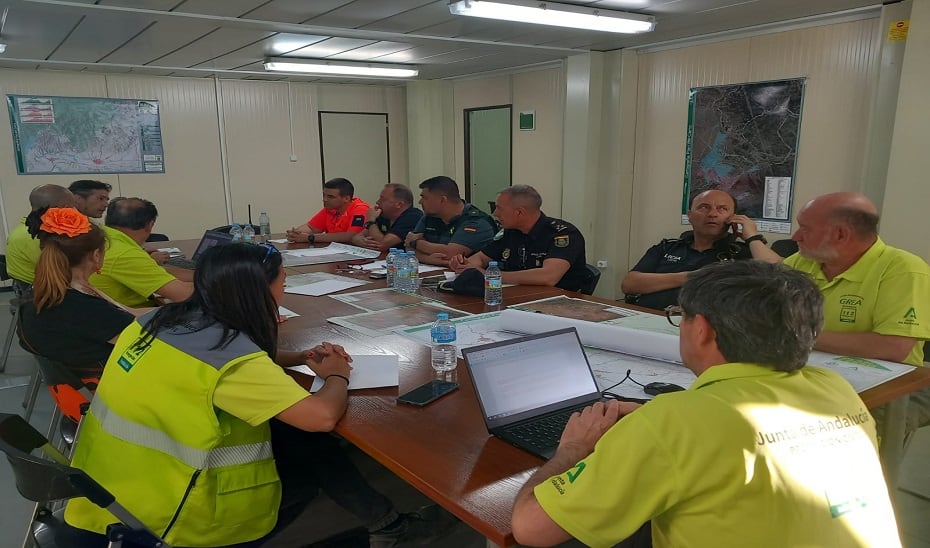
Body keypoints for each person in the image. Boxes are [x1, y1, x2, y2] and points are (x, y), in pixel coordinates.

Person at [64, 243, 454, 547]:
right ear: (257, 291)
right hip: (176, 510)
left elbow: (230, 358)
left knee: (295, 438)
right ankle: (387, 525)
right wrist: (338, 375)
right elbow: (320, 417)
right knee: (307, 442)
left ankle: (383, 521)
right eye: (282, 282)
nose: (284, 289)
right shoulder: (231, 361)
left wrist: (300, 355)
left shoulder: (155, 321)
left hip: (106, 485)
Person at [511, 261, 900, 547]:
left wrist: (573, 449)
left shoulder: (673, 422)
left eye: (680, 317)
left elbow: (530, 528)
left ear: (703, 330)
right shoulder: (833, 387)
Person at [737, 192, 930, 438]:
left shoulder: (904, 270)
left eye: (805, 228)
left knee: (845, 434)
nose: (795, 236)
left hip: (881, 385)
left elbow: (894, 347)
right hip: (807, 374)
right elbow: (766, 312)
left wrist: (794, 335)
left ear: (840, 234)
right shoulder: (803, 262)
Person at [18, 207, 146, 422]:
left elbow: (128, 314)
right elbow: (141, 338)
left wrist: (176, 310)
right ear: (96, 255)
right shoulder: (84, 310)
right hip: (119, 398)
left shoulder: (48, 297)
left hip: (83, 396)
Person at [620, 189, 763, 310]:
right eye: (704, 207)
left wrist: (752, 238)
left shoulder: (744, 255)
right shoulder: (667, 248)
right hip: (646, 319)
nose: (712, 214)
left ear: (733, 218)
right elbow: (629, 284)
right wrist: (693, 277)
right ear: (690, 216)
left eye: (722, 209)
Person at [449, 185, 593, 291]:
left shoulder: (562, 233)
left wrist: (491, 276)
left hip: (559, 302)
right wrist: (464, 265)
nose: (495, 213)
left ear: (519, 212)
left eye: (500, 208)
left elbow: (548, 277)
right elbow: (480, 258)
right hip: (517, 296)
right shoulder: (511, 232)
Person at [92, 197, 193, 307]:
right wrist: (213, 282)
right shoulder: (124, 253)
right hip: (130, 319)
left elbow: (155, 272)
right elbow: (183, 294)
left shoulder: (104, 237)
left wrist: (202, 275)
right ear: (150, 225)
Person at [403, 176, 496, 266]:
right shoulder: (430, 216)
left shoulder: (476, 221)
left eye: (425, 197)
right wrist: (428, 259)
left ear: (442, 200)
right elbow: (408, 248)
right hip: (435, 273)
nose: (420, 202)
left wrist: (416, 242)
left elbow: (451, 253)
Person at [5, 184, 74, 284]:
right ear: (64, 207)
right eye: (72, 207)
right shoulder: (37, 236)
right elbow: (62, 270)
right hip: (40, 290)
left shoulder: (26, 227)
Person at [286, 177, 370, 244]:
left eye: (330, 197)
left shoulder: (360, 209)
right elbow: (311, 227)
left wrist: (310, 238)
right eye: (324, 195)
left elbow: (351, 236)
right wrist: (296, 234)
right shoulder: (330, 209)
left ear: (346, 198)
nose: (325, 199)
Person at [351, 183, 423, 251]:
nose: (377, 202)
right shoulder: (384, 215)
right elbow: (356, 237)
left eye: (382, 199)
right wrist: (362, 242)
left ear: (399, 204)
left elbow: (381, 244)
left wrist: (371, 221)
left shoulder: (413, 217)